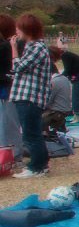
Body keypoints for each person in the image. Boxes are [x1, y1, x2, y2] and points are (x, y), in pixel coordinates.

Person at [11, 14, 52, 178]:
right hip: (27, 96)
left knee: (30, 133)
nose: (16, 31)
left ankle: (36, 167)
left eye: (19, 28)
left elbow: (19, 67)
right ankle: (42, 164)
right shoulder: (32, 47)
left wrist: (13, 49)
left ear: (27, 29)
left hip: (30, 97)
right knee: (33, 132)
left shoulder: (37, 48)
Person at [0, 14, 20, 151]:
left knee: (8, 123)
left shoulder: (7, 46)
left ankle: (12, 154)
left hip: (8, 89)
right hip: (9, 88)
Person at [43, 62, 73, 134]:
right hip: (65, 111)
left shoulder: (54, 82)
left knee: (33, 121)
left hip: (56, 112)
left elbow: (47, 101)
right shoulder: (64, 78)